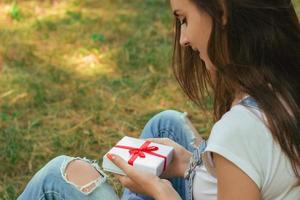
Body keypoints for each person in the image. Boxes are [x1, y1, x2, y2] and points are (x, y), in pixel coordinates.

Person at [18, 0, 300, 199]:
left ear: (222, 10)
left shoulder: (238, 130)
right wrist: (187, 163)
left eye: (185, 19)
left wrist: (161, 191)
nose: (183, 39)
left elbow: (245, 145)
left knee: (61, 174)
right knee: (165, 125)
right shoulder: (283, 91)